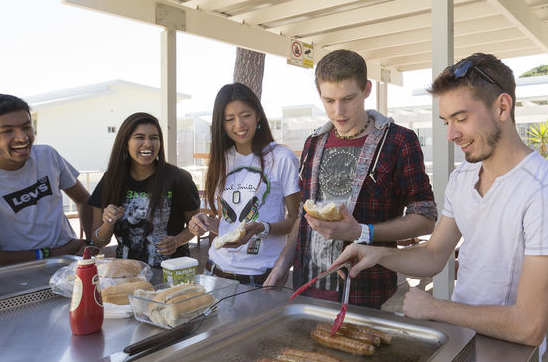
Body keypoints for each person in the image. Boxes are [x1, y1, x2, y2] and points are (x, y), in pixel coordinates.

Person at [333, 53, 548, 362]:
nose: (451, 134)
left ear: (502, 108)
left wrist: (435, 308)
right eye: (446, 122)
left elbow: (529, 325)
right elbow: (434, 255)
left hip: (508, 361)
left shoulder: (545, 189)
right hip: (460, 342)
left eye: (461, 119)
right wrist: (374, 254)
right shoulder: (463, 177)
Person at [265, 49, 437, 309]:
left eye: (348, 98)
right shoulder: (313, 142)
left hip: (366, 291)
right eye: (329, 100)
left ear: (367, 89)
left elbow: (426, 218)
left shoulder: (399, 140)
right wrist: (281, 266)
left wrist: (363, 231)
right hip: (305, 289)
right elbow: (304, 216)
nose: (339, 111)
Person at [0, 94, 92, 269]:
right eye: (7, 131)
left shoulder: (47, 156)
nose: (22, 137)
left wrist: (92, 243)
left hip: (70, 266)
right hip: (18, 278)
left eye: (26, 127)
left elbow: (84, 199)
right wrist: (57, 252)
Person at [187, 83, 301, 286]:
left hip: (261, 278)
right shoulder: (222, 159)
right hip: (215, 271)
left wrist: (262, 228)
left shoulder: (281, 157)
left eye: (245, 115)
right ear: (221, 124)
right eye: (229, 119)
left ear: (258, 115)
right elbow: (229, 225)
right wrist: (203, 222)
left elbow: (298, 221)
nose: (239, 124)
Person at [89, 112, 200, 270]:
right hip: (127, 274)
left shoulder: (178, 178)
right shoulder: (111, 180)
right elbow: (99, 241)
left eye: (154, 138)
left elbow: (196, 226)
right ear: (125, 142)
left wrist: (176, 241)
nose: (148, 143)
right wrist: (109, 222)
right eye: (139, 137)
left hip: (172, 273)